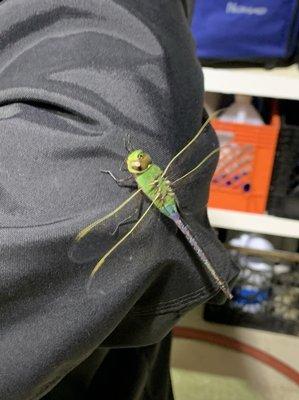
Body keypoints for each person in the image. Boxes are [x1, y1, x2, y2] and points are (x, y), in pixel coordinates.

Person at [0, 1, 239, 399]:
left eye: (139, 162)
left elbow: (104, 185)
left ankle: (217, 281)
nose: (134, 162)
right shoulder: (140, 166)